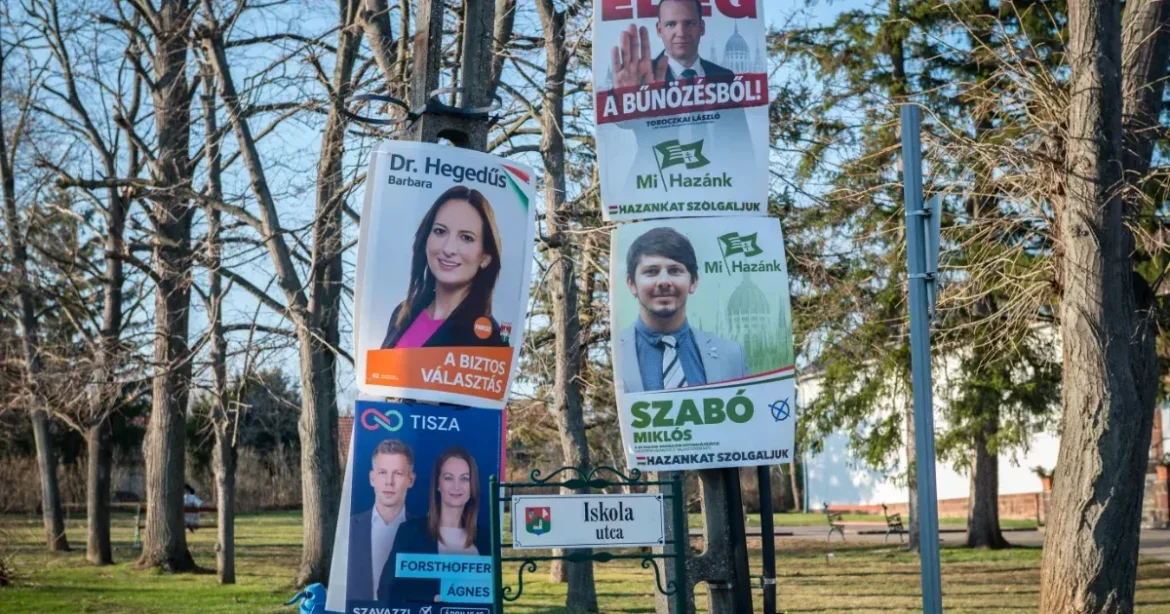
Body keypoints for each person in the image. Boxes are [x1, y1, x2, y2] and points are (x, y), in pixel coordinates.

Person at [617, 227, 748, 393]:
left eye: (674, 271)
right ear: (631, 284)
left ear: (693, 281)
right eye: (651, 271)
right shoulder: (613, 353)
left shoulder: (732, 355)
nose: (664, 282)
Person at [380, 185, 507, 349]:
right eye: (440, 231)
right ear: (426, 239)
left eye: (466, 238)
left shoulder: (490, 338)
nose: (448, 249)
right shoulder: (403, 313)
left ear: (485, 257)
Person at [377, 446, 488, 605]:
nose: (457, 486)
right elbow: (386, 592)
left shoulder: (486, 539)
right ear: (438, 484)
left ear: (473, 485)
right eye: (448, 478)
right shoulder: (411, 533)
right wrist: (433, 600)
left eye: (464, 478)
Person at [348, 439, 417, 602]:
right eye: (382, 473)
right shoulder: (349, 528)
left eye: (398, 473)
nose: (389, 482)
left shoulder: (424, 531)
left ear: (410, 480)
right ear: (372, 478)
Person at [610, 0, 733, 88]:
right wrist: (626, 101)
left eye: (689, 23)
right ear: (659, 30)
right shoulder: (639, 78)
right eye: (671, 24)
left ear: (701, 27)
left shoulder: (726, 77)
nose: (681, 33)